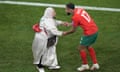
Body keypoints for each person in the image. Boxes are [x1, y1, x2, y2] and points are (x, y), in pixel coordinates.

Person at [64, 3, 100, 71]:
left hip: (89, 33)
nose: (65, 11)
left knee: (81, 48)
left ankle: (85, 65)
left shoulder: (75, 17)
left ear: (70, 9)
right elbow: (78, 20)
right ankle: (95, 64)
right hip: (95, 30)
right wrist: (70, 24)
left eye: (66, 9)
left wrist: (65, 33)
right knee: (88, 46)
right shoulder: (79, 10)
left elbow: (73, 30)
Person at [32, 7, 67, 72]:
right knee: (42, 51)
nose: (55, 13)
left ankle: (52, 65)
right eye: (54, 12)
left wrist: (62, 23)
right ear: (50, 13)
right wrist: (62, 33)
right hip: (43, 39)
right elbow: (53, 30)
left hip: (47, 38)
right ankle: (39, 66)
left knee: (51, 50)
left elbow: (54, 22)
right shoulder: (48, 21)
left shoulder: (45, 18)